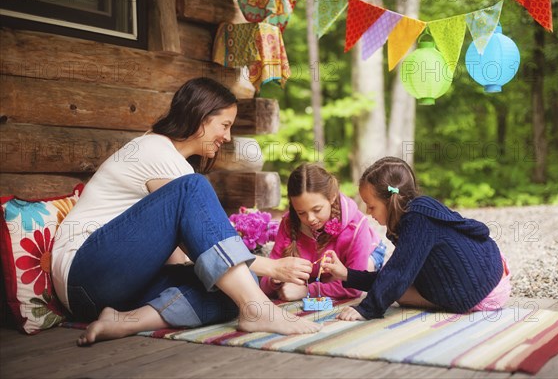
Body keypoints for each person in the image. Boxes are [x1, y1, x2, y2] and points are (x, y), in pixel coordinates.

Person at [52, 78, 322, 346]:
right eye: (225, 125)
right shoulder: (154, 150)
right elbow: (195, 243)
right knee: (195, 192)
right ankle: (258, 309)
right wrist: (272, 266)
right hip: (85, 275)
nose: (227, 137)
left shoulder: (175, 168)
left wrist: (238, 274)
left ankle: (125, 321)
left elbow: (183, 256)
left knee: (235, 287)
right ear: (201, 117)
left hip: (115, 288)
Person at [321, 156, 511, 321]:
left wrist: (366, 309)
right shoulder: (415, 213)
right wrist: (346, 274)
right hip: (492, 271)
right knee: (395, 287)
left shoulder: (417, 218)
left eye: (371, 206)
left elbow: (397, 274)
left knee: (399, 292)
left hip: (482, 290)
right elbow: (394, 274)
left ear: (390, 200)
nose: (368, 213)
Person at [260, 163, 386, 301]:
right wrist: (275, 279)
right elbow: (265, 283)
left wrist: (308, 290)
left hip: (369, 252)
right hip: (319, 268)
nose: (310, 219)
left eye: (317, 209)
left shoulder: (356, 225)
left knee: (342, 275)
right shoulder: (288, 223)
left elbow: (355, 287)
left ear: (332, 197)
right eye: (301, 213)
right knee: (321, 278)